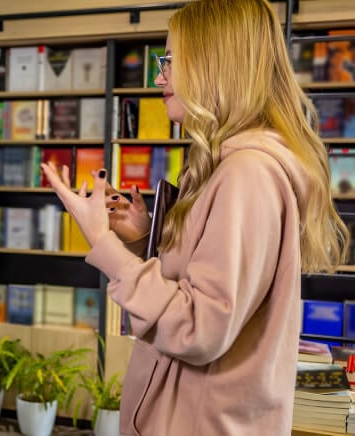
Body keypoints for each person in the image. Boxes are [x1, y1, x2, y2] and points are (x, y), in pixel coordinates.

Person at [42, 0, 349, 434]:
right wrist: (145, 237)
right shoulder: (220, 164)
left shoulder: (247, 174)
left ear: (213, 65)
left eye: (169, 61)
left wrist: (104, 244)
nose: (158, 77)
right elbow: (204, 288)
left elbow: (199, 329)